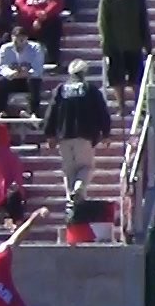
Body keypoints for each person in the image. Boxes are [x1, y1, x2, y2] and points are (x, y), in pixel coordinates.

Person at [41, 60, 109, 201]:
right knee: (86, 167)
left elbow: (51, 111)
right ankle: (78, 188)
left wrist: (49, 134)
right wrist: (106, 133)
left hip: (64, 137)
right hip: (84, 135)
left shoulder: (61, 89)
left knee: (69, 171)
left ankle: (71, 201)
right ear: (84, 73)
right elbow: (102, 111)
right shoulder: (90, 89)